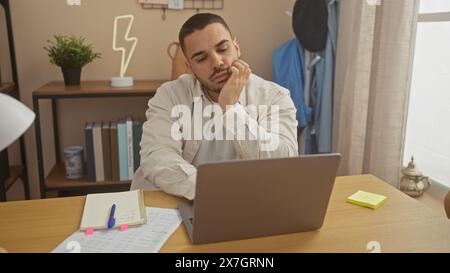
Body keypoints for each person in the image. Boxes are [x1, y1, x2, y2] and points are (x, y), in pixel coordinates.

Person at [131, 13, 298, 199]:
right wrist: (215, 190)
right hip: (177, 202)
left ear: (236, 47)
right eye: (201, 58)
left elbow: (284, 163)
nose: (217, 62)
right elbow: (157, 159)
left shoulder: (274, 96)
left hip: (248, 202)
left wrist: (230, 108)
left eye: (223, 49)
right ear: (189, 66)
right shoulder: (169, 95)